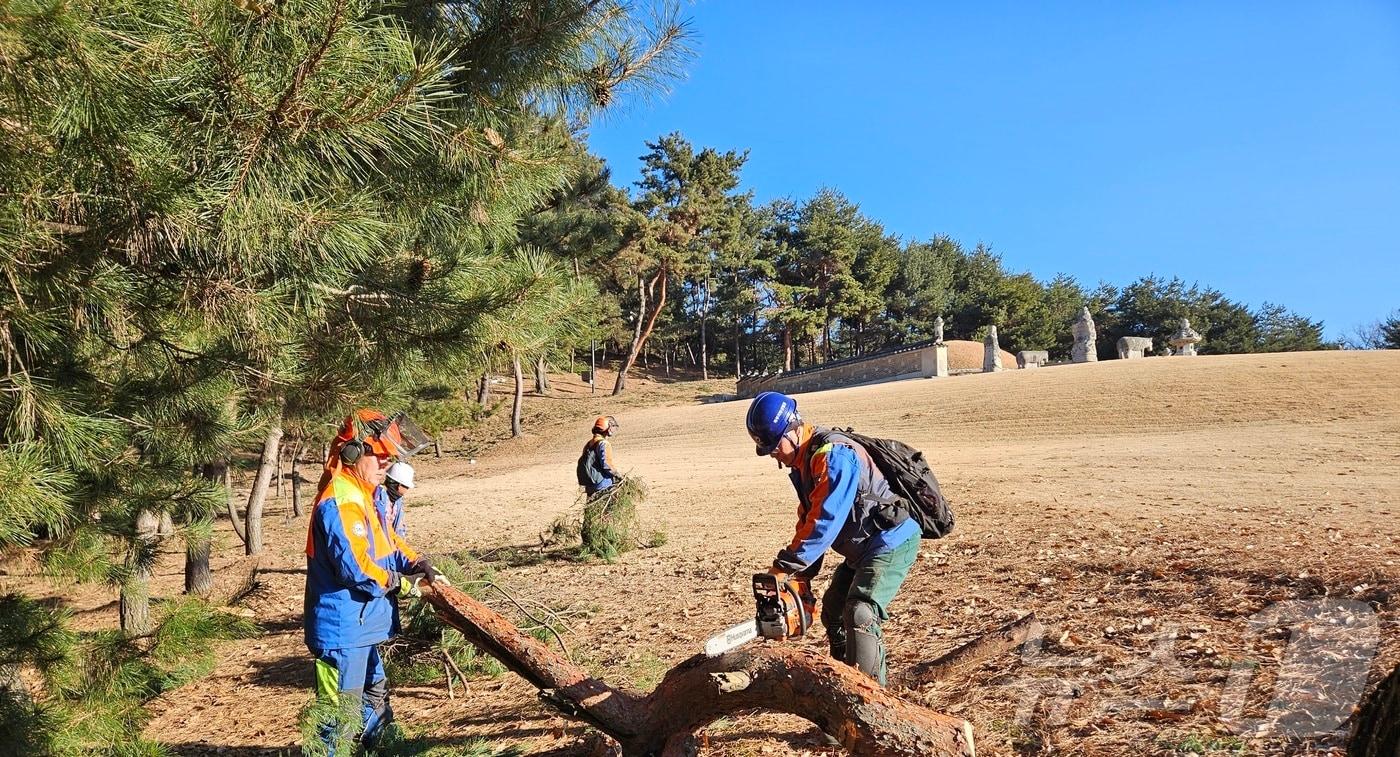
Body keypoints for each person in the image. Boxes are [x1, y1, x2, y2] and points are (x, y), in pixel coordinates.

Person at [745, 391, 920, 686]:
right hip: (863, 548)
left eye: (775, 447)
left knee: (860, 611)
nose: (773, 454)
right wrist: (800, 576)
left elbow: (826, 521)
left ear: (793, 430)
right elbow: (809, 520)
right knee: (834, 611)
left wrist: (785, 566)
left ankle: (870, 698)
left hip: (890, 540)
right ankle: (843, 682)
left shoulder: (833, 456)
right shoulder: (806, 463)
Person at [304, 409, 444, 750]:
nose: (386, 463)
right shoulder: (340, 502)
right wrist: (405, 583)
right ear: (352, 453)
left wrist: (417, 561)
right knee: (338, 717)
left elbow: (387, 543)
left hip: (363, 625)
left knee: (375, 699)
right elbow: (357, 569)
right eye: (379, 455)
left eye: (389, 457)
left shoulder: (365, 494)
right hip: (342, 629)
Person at [576, 415, 620, 497]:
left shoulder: (589, 443)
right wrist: (617, 475)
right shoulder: (604, 443)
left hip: (590, 485)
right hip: (602, 484)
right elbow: (607, 464)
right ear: (608, 429)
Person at [384, 461, 415, 538]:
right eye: (407, 487)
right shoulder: (379, 501)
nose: (407, 490)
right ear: (399, 486)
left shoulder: (398, 502)